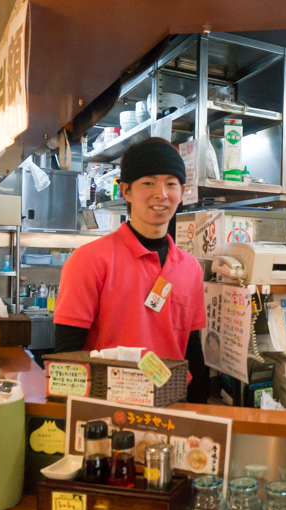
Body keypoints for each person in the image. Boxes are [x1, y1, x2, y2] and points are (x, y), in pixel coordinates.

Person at [54, 137, 208, 403]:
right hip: (107, 405)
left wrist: (200, 413)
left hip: (172, 404)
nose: (161, 193)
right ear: (125, 190)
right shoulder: (89, 260)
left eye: (171, 183)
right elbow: (66, 354)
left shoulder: (190, 267)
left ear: (182, 192)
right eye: (148, 182)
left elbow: (192, 350)